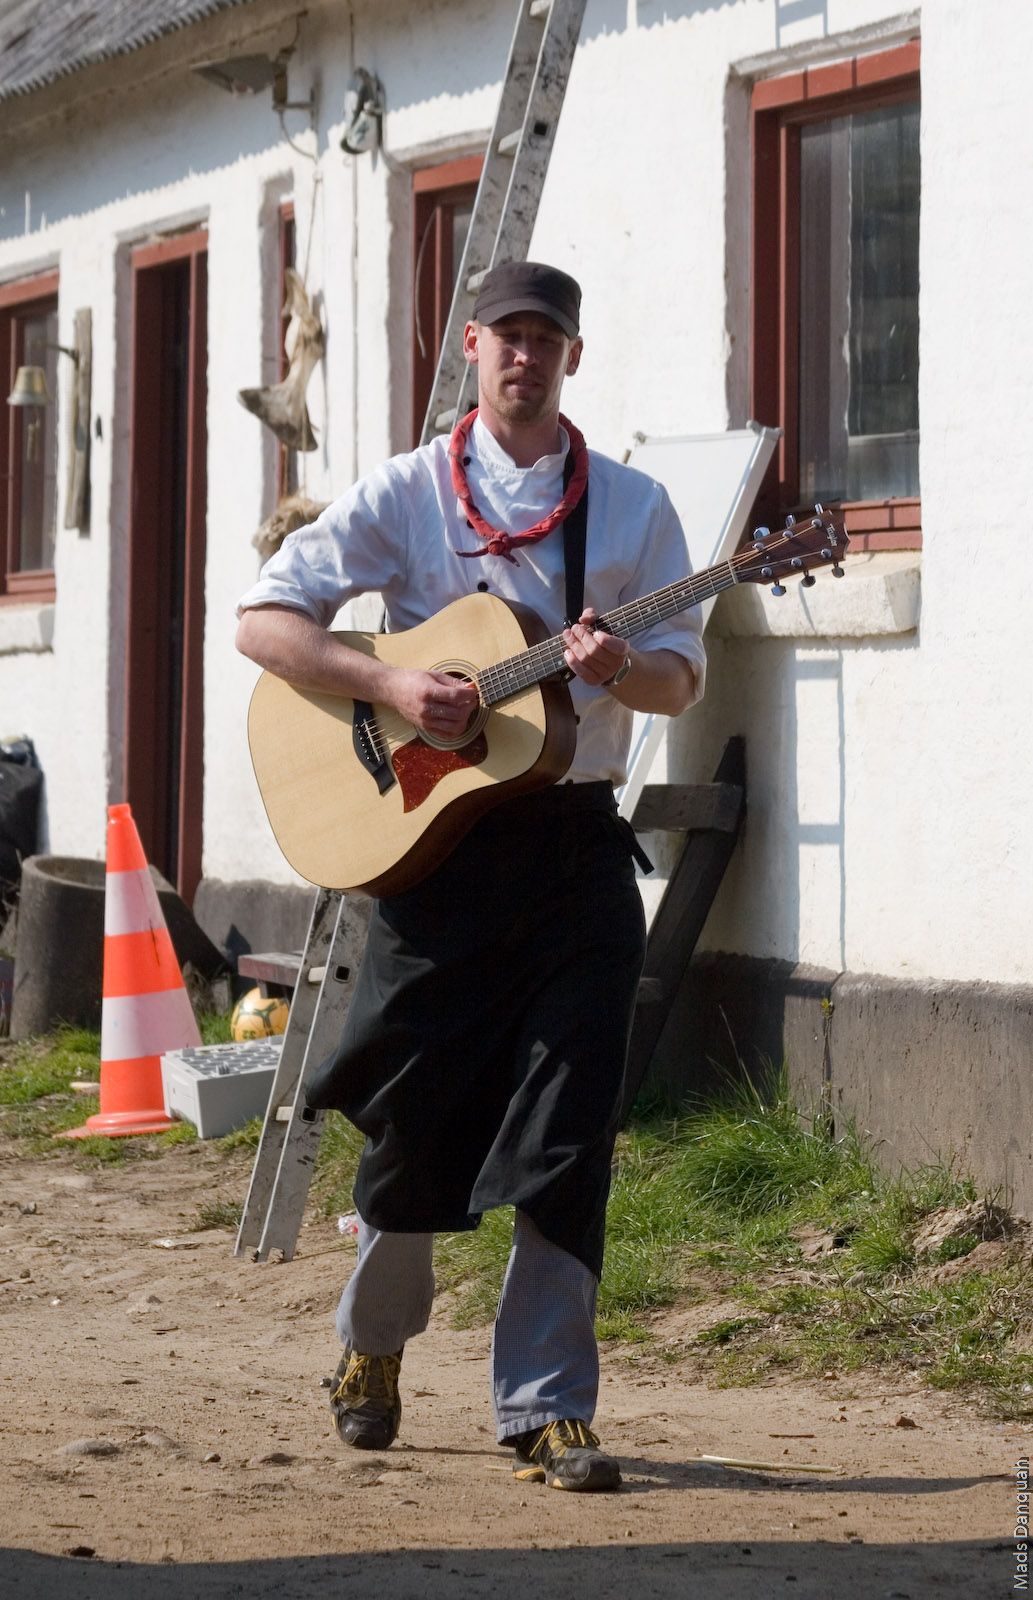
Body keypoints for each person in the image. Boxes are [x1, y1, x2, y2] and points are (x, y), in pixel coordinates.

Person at [235, 261, 706, 1493]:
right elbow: (264, 622)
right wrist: (391, 683)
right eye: (507, 336)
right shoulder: (405, 491)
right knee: (416, 1112)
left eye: (547, 339)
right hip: (434, 855)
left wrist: (616, 671)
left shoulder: (636, 507)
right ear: (472, 347)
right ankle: (371, 1343)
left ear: (572, 357)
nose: (524, 357)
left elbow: (679, 676)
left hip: (574, 845)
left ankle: (547, 1406)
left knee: (571, 1122)